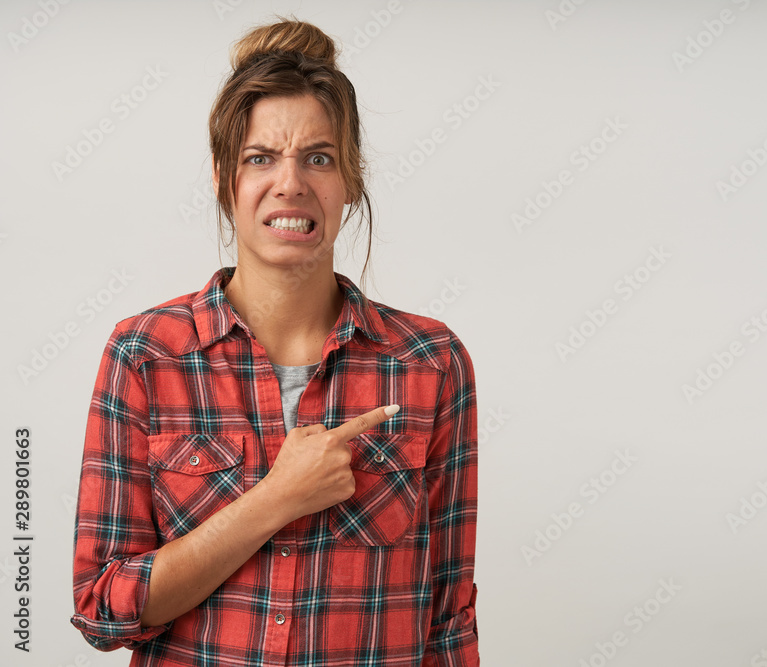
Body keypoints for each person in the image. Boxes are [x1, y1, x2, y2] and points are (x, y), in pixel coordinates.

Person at [70, 18, 479, 666]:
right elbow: (101, 609)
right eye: (261, 157)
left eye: (318, 157)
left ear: (351, 178)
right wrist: (277, 496)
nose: (290, 183)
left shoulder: (430, 363)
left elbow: (449, 620)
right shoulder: (146, 356)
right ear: (221, 176)